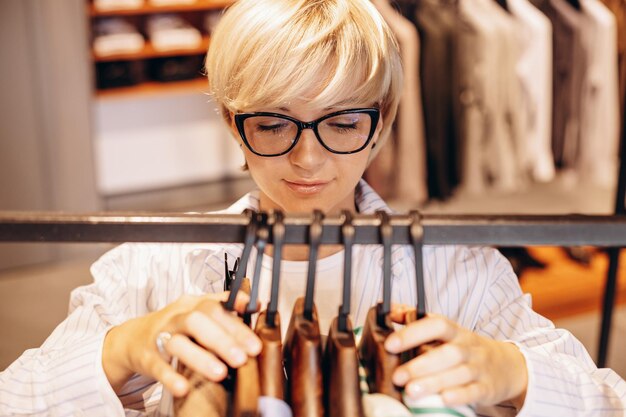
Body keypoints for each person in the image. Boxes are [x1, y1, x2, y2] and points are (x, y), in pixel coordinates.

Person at [1, 0, 625, 416]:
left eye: (342, 122)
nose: (307, 159)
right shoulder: (150, 265)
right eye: (273, 124)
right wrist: (119, 354)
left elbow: (607, 400)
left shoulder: (460, 269)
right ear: (231, 121)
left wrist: (513, 373)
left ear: (381, 124)